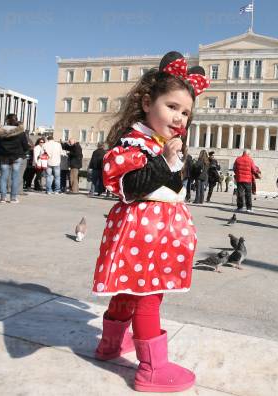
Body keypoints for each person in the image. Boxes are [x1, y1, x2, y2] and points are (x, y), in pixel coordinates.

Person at [92, 51, 209, 393]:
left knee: (131, 290)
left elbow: (170, 185)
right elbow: (127, 186)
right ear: (147, 102)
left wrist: (172, 162)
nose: (180, 117)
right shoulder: (135, 142)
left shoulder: (155, 143)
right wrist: (164, 161)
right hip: (145, 230)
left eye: (186, 112)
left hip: (154, 229)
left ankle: (110, 345)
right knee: (148, 296)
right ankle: (152, 369)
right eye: (172, 107)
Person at [0, 114, 29, 203]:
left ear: (6, 120)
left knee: (3, 177)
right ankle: (13, 198)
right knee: (15, 177)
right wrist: (24, 151)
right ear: (16, 120)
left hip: (3, 156)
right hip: (17, 156)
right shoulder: (21, 132)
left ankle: (3, 198)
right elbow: (25, 145)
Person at [233, 149, 259, 213]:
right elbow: (254, 169)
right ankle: (249, 208)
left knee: (240, 193)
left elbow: (234, 168)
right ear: (248, 154)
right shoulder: (250, 160)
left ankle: (240, 207)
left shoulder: (238, 159)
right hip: (248, 180)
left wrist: (237, 174)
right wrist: (257, 174)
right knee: (248, 194)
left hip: (239, 179)